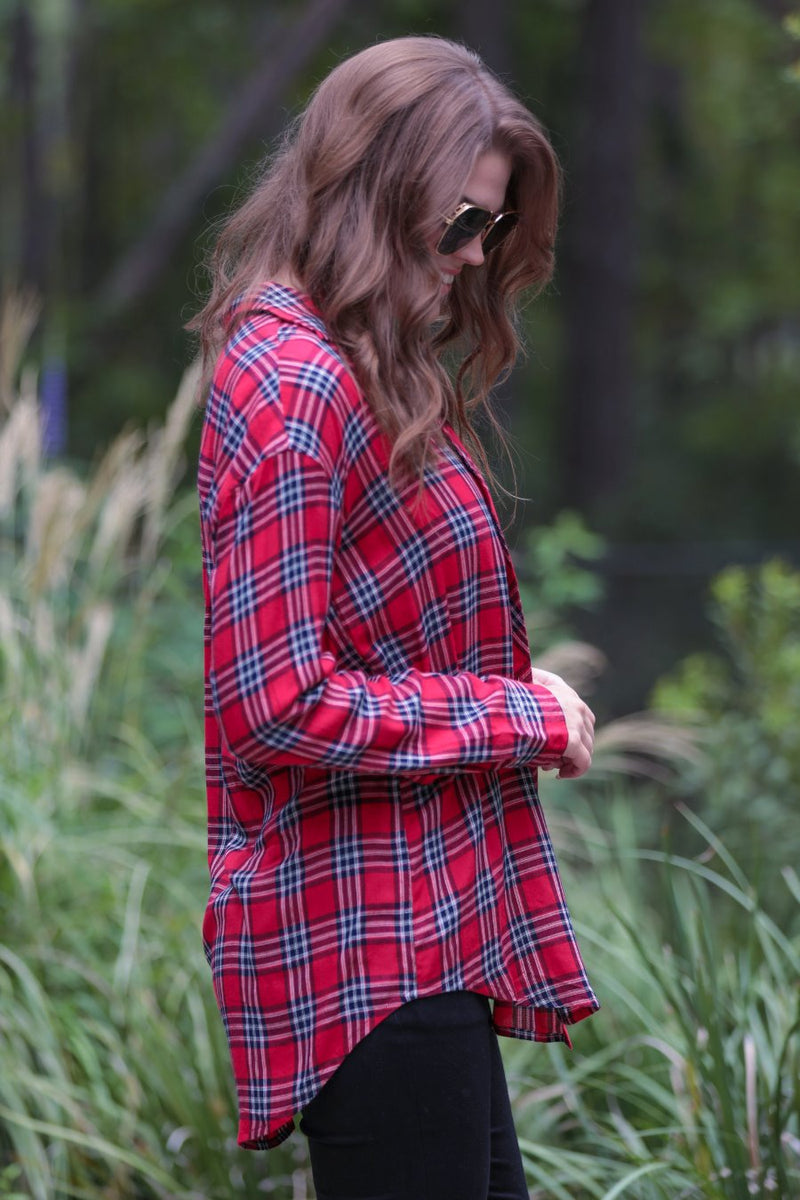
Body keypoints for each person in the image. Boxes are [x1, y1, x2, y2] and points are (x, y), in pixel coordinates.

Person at [190, 34, 599, 1200]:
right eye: (458, 224)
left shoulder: (348, 367)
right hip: (360, 948)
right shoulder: (296, 382)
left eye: (491, 230)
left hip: (416, 939)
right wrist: (511, 714)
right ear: (369, 191)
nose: (472, 262)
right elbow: (270, 704)